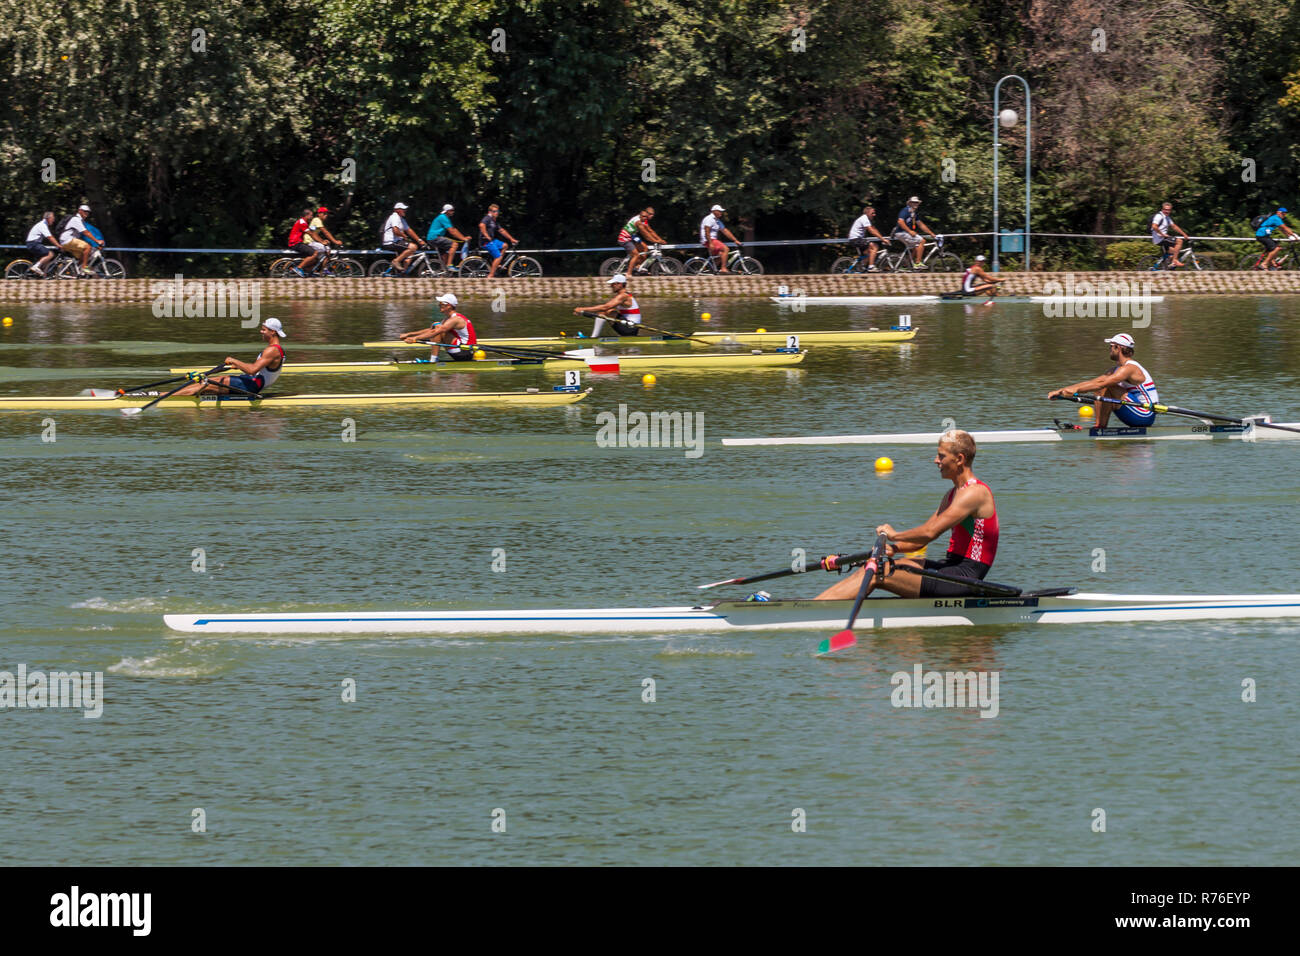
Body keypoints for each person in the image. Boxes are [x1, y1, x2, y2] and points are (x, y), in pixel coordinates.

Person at [814, 430, 998, 600]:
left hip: (967, 576)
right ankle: (817, 604)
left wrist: (894, 535)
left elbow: (929, 532)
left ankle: (816, 612)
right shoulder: (952, 494)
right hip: (951, 567)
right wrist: (894, 549)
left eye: (941, 456)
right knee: (873, 566)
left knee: (879, 572)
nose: (936, 460)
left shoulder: (975, 493)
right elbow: (921, 541)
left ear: (959, 459)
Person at [1047, 333, 1158, 428]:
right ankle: (1100, 427)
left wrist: (1076, 390)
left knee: (1105, 387)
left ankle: (1099, 428)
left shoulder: (1129, 369)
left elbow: (1102, 384)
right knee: (1101, 387)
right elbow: (1094, 382)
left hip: (1145, 414)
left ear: (1118, 348)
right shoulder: (1116, 370)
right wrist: (1061, 391)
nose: (1109, 350)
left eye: (1111, 347)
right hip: (1134, 411)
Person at [173, 319, 287, 397]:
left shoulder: (272, 350)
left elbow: (253, 370)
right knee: (217, 380)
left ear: (272, 332)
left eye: (264, 329)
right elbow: (258, 370)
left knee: (207, 384)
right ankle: (178, 394)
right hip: (252, 381)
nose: (261, 331)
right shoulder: (274, 349)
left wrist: (234, 360)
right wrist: (237, 366)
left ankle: (167, 396)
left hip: (253, 385)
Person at [398, 293, 477, 361]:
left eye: (441, 304)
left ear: (449, 306)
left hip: (465, 352)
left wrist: (415, 338)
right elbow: (430, 330)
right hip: (459, 349)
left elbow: (435, 332)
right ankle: (434, 358)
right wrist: (409, 334)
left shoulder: (455, 319)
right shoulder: (448, 318)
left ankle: (433, 360)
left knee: (438, 331)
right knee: (435, 325)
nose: (439, 305)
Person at [574, 274, 642, 337]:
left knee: (605, 311)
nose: (611, 286)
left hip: (631, 328)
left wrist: (582, 309)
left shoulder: (623, 296)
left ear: (620, 284)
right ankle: (594, 337)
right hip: (628, 326)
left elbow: (605, 307)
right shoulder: (623, 295)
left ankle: (593, 338)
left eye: (613, 284)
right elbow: (605, 307)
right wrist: (583, 312)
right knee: (609, 311)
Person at [617, 206, 668, 275]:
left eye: (653, 214)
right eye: (650, 214)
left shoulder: (644, 220)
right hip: (625, 237)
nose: (651, 216)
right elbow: (646, 235)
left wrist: (660, 239)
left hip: (632, 236)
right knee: (636, 255)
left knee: (645, 248)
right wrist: (657, 241)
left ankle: (638, 266)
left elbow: (650, 231)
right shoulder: (638, 222)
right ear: (645, 213)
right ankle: (629, 273)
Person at [59, 204, 105, 276]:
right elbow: (86, 232)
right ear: (80, 211)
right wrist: (97, 241)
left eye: (88, 212)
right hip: (67, 239)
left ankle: (74, 272)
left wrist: (95, 244)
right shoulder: (76, 219)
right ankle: (84, 268)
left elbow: (84, 236)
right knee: (87, 247)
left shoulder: (81, 221)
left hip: (66, 241)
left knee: (84, 256)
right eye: (85, 211)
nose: (86, 213)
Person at [893, 196, 938, 269]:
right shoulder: (906, 210)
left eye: (916, 202)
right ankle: (918, 263)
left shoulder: (913, 213)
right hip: (901, 232)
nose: (915, 204)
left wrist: (931, 233)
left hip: (903, 233)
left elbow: (921, 225)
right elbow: (900, 221)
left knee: (916, 247)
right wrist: (910, 231)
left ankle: (905, 266)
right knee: (922, 241)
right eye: (913, 202)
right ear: (909, 203)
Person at [382, 202, 426, 274]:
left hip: (396, 241)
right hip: (390, 242)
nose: (405, 210)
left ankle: (403, 272)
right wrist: (404, 236)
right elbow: (395, 231)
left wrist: (419, 240)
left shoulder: (401, 219)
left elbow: (409, 230)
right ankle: (396, 261)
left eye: (405, 209)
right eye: (403, 209)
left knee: (413, 249)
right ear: (397, 210)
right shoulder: (395, 217)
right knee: (413, 247)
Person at [478, 204, 519, 278]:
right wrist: (486, 235)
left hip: (492, 241)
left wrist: (511, 239)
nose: (496, 213)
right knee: (498, 257)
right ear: (490, 212)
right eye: (494, 211)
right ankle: (491, 275)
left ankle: (498, 264)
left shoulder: (494, 221)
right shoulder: (487, 218)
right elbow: (481, 225)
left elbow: (502, 231)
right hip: (486, 242)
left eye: (497, 211)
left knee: (505, 245)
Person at [699, 204, 741, 273]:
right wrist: (710, 243)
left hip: (712, 240)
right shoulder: (709, 219)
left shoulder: (717, 221)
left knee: (721, 256)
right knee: (726, 249)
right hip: (708, 240)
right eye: (719, 211)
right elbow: (707, 231)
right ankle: (723, 268)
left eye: (721, 211)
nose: (721, 213)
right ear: (714, 211)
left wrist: (735, 240)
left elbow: (725, 231)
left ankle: (707, 270)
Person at [426, 204, 469, 271]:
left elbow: (454, 229)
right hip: (435, 237)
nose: (453, 212)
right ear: (447, 211)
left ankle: (443, 273)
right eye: (451, 210)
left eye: (453, 210)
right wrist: (463, 239)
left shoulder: (444, 217)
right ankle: (449, 266)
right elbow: (452, 231)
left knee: (445, 256)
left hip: (432, 238)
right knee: (454, 244)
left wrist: (464, 237)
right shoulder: (443, 217)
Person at [1150, 202, 1189, 267]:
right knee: (1179, 241)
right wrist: (1162, 234)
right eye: (1165, 209)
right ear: (1162, 209)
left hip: (1161, 239)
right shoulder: (1159, 216)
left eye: (1168, 210)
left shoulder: (1167, 217)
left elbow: (1174, 226)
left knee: (1175, 251)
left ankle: (1166, 265)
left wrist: (1184, 234)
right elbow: (1154, 226)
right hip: (1160, 239)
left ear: (1170, 210)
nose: (1167, 211)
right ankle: (1175, 261)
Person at [847, 205, 885, 271]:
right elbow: (871, 231)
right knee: (874, 246)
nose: (874, 215)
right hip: (856, 239)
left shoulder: (865, 219)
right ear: (867, 213)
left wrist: (881, 237)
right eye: (872, 213)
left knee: (869, 254)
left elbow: (874, 229)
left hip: (855, 239)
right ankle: (871, 267)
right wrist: (883, 239)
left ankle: (861, 268)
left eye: (874, 213)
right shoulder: (864, 218)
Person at [24, 212, 60, 277]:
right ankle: (36, 267)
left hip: (32, 243)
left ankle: (44, 275)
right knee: (50, 254)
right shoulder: (42, 225)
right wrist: (58, 245)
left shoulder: (43, 224)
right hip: (33, 244)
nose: (53, 220)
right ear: (48, 218)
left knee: (46, 259)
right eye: (53, 218)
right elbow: (50, 237)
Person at [287, 207, 321, 277]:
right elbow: (311, 234)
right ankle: (298, 268)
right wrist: (322, 241)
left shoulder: (302, 221)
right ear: (306, 215)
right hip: (296, 243)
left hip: (296, 243)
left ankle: (309, 272)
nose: (312, 217)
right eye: (311, 215)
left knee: (315, 259)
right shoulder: (302, 223)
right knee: (315, 253)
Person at [308, 207, 342, 271]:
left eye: (327, 214)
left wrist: (322, 241)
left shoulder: (317, 220)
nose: (326, 215)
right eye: (324, 213)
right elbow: (326, 232)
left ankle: (316, 269)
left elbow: (314, 234)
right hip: (309, 241)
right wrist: (335, 241)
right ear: (319, 214)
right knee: (328, 249)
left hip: (311, 241)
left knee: (321, 255)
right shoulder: (317, 220)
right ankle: (325, 270)